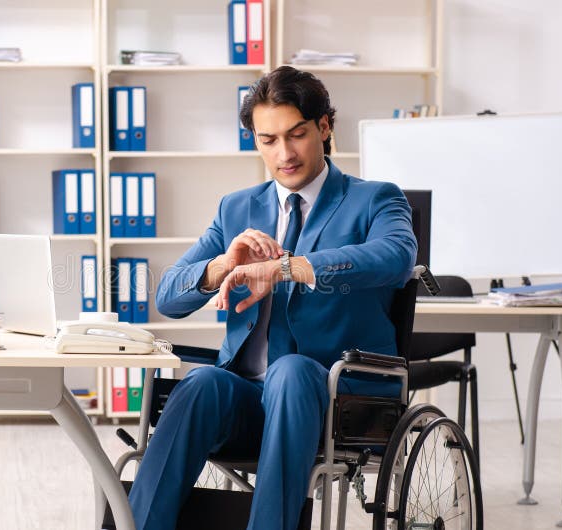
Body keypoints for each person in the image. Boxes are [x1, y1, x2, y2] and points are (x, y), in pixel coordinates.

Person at [128, 66, 417, 530]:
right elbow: (168, 296)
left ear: (324, 127)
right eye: (268, 139)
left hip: (338, 399)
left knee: (291, 371)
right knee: (201, 383)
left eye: (297, 134)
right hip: (250, 400)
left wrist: (285, 268)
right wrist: (225, 263)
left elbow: (395, 257)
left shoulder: (375, 199)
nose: (284, 153)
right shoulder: (237, 208)